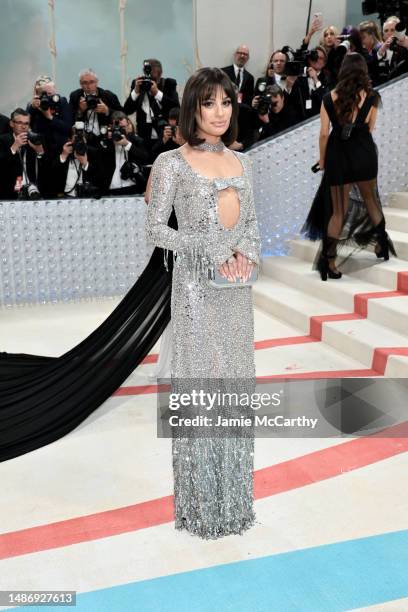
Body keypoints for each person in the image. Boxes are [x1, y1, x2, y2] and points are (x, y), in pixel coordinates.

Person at [146, 66, 261, 539]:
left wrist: (247, 254)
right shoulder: (171, 162)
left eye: (226, 103)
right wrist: (207, 246)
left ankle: (234, 502)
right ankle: (199, 507)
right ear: (192, 107)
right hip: (194, 290)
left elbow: (251, 224)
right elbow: (156, 229)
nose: (219, 113)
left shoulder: (244, 161)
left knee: (234, 390)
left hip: (236, 291)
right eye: (209, 102)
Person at [302, 53, 396, 280]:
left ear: (342, 70)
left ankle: (330, 263)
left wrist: (322, 161)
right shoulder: (372, 97)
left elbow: (324, 134)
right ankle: (381, 245)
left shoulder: (328, 98)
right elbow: (370, 128)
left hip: (338, 157)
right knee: (371, 200)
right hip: (364, 154)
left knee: (338, 211)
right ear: (363, 71)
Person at [123, 58, 180, 160]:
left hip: (165, 137)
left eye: (154, 76)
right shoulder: (138, 84)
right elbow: (127, 110)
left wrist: (157, 93)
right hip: (144, 138)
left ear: (160, 74)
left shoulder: (169, 83)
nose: (150, 80)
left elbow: (176, 107)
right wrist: (136, 91)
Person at [0, 108, 48, 200]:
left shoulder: (36, 139)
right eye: (20, 123)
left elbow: (47, 169)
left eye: (26, 123)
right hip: (10, 193)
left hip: (33, 192)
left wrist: (40, 153)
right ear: (11, 123)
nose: (23, 126)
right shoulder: (3, 140)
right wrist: (13, 148)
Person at [69, 69, 122, 144]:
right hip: (83, 138)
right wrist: (80, 111)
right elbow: (69, 119)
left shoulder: (107, 95)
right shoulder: (75, 96)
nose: (88, 86)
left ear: (97, 82)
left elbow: (122, 115)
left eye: (91, 82)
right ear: (80, 84)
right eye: (85, 83)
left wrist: (107, 111)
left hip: (104, 136)